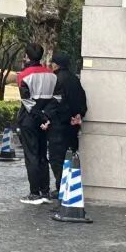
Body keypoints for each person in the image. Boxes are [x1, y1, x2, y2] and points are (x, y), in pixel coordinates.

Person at [16, 43, 58, 205]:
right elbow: (56, 99)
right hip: (46, 120)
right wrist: (46, 118)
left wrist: (40, 117)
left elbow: (27, 102)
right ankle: (45, 191)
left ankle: (34, 193)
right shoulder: (51, 75)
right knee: (42, 155)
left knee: (31, 156)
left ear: (27, 56)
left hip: (29, 120)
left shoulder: (23, 75)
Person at [46, 51, 88, 197]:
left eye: (52, 62)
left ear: (56, 65)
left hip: (59, 125)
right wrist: (79, 114)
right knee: (70, 156)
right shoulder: (74, 79)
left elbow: (56, 103)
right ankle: (69, 185)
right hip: (73, 126)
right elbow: (82, 99)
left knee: (56, 158)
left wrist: (48, 118)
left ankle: (61, 188)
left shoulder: (56, 79)